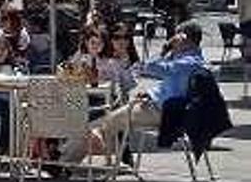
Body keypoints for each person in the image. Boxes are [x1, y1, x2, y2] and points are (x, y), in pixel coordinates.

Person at [61, 22, 206, 164]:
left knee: (101, 122)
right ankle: (74, 158)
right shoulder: (193, 61)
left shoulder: (187, 63)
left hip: (161, 112)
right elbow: (170, 86)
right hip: (162, 109)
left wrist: (166, 48)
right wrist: (149, 94)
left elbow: (149, 67)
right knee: (101, 122)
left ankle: (66, 161)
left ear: (183, 38)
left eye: (176, 37)